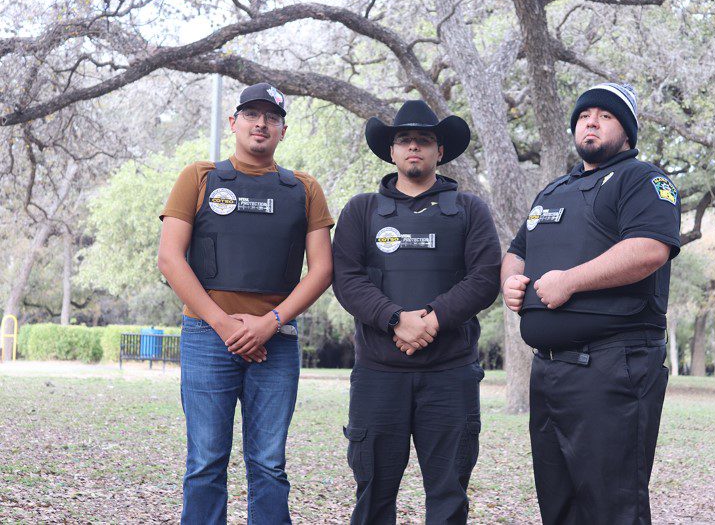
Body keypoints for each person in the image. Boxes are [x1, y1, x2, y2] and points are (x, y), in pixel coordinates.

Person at [501, 83, 680, 524]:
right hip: (548, 371)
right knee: (558, 505)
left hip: (612, 367)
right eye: (584, 116)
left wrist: (572, 282)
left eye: (605, 115)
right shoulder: (552, 191)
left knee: (611, 507)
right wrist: (510, 283)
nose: (591, 121)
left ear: (628, 132)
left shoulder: (643, 180)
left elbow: (649, 249)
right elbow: (516, 249)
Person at [157, 82, 334, 524]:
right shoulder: (198, 178)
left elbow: (322, 270)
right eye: (252, 115)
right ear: (234, 123)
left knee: (269, 464)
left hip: (276, 341)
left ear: (283, 131)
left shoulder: (304, 189)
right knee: (205, 462)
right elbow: (169, 258)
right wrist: (224, 325)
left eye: (271, 117)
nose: (261, 124)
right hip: (206, 337)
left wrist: (270, 323)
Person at [332, 100, 501, 524]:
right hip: (378, 375)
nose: (413, 148)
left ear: (439, 152)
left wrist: (432, 318)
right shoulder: (362, 210)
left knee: (448, 495)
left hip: (450, 374)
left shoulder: (469, 209)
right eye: (404, 140)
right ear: (391, 151)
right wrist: (395, 319)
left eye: (423, 141)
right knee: (373, 493)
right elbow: (347, 280)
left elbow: (484, 279)